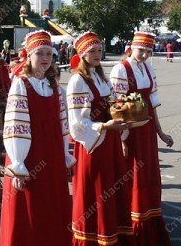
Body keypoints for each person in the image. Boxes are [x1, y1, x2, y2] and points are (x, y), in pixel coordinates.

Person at [0, 30, 76, 246]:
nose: (44, 59)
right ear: (29, 56)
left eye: (48, 54)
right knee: (29, 212)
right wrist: (18, 165)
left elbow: (63, 127)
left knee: (51, 209)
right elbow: (15, 126)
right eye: (39, 53)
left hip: (52, 161)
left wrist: (65, 157)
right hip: (29, 158)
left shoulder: (54, 87)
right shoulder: (21, 84)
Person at [67, 32, 136, 246]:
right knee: (97, 193)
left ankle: (112, 234)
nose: (97, 54)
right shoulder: (77, 82)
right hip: (93, 146)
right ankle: (95, 237)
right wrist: (105, 125)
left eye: (99, 50)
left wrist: (124, 113)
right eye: (92, 51)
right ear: (82, 54)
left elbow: (112, 106)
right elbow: (77, 123)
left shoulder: (101, 77)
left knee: (112, 189)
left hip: (110, 142)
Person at [109, 31, 173, 246]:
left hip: (146, 131)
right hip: (130, 131)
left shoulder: (148, 68)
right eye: (141, 50)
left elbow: (152, 104)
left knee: (148, 175)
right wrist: (121, 139)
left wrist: (161, 132)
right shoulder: (121, 69)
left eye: (148, 51)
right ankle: (131, 228)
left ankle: (149, 222)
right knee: (132, 177)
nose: (144, 54)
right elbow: (117, 108)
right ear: (132, 47)